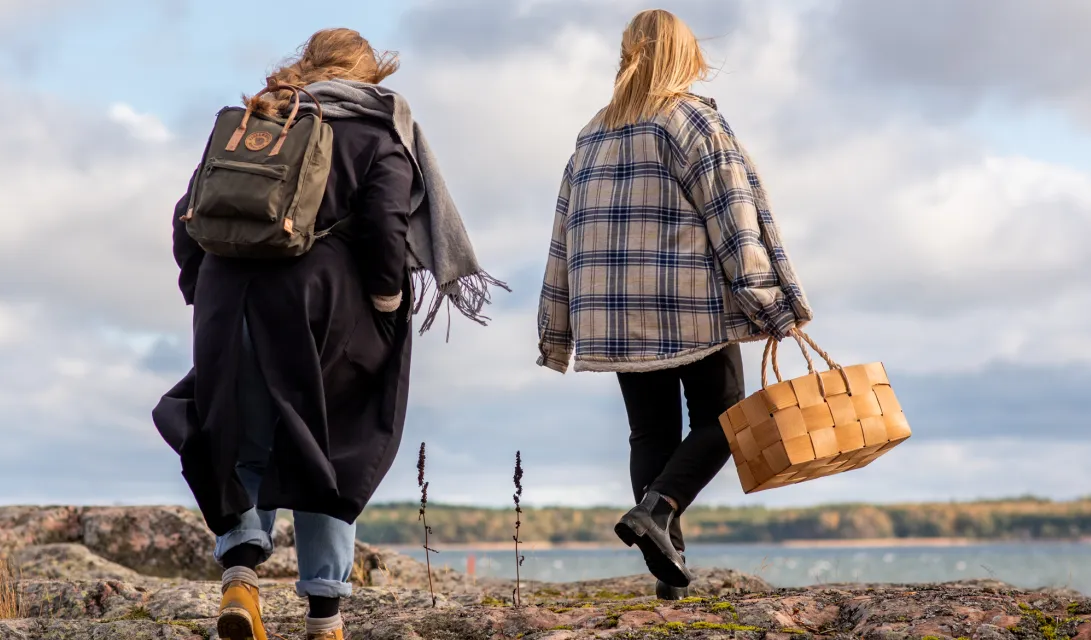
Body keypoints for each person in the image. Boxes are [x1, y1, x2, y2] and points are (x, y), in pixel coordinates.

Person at [154, 28, 502, 640]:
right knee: (336, 441)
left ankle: (240, 580)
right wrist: (388, 300)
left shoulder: (257, 119)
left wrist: (202, 291)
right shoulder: (378, 130)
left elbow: (190, 213)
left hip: (225, 297)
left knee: (239, 432)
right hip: (321, 307)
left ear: (308, 67)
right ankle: (324, 616)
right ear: (371, 75)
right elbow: (385, 226)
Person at [534, 9, 814, 600]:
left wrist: (557, 328)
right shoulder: (691, 121)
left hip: (610, 314)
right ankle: (658, 509)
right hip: (689, 308)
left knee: (649, 434)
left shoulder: (593, 132)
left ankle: (670, 575)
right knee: (726, 418)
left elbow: (564, 234)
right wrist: (767, 301)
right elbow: (734, 219)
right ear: (687, 58)